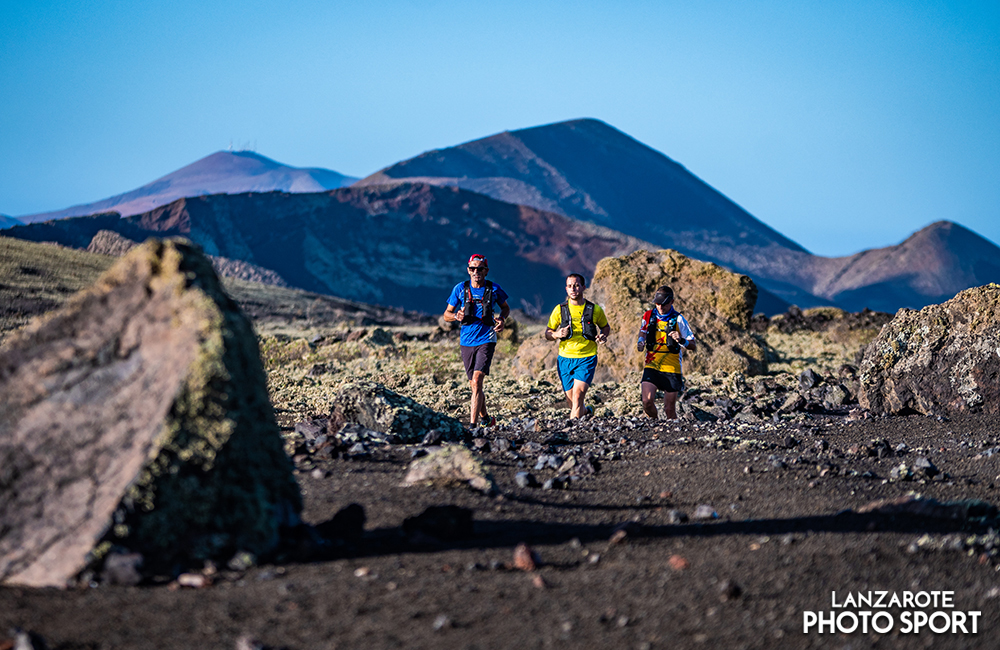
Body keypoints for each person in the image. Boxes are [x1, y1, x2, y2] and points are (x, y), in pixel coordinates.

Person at [443, 254, 511, 427]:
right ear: (468, 270)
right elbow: (446, 315)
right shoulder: (460, 289)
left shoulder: (494, 289)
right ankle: (486, 418)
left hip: (487, 338)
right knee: (474, 385)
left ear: (486, 271)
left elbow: (505, 308)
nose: (476, 272)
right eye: (472, 269)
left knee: (478, 380)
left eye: (479, 269)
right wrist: (456, 316)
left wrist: (502, 319)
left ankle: (472, 427)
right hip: (466, 341)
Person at [545, 273, 610, 418]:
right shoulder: (559, 310)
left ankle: (572, 431)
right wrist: (556, 334)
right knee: (573, 404)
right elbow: (547, 333)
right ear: (566, 289)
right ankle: (588, 412)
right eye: (569, 286)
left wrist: (603, 336)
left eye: (576, 285)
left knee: (578, 396)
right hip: (565, 360)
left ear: (583, 287)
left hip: (586, 358)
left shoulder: (595, 310)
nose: (573, 289)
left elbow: (605, 327)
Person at [636, 286, 696, 420]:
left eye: (664, 304)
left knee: (669, 409)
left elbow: (692, 344)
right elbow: (643, 331)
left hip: (671, 367)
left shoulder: (679, 319)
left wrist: (681, 340)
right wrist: (640, 341)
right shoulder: (648, 315)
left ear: (672, 302)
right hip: (652, 364)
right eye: (657, 303)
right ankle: (655, 422)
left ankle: (673, 434)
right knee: (647, 402)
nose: (660, 307)